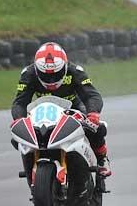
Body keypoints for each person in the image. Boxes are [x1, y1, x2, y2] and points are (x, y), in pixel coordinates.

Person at [12, 42, 111, 177]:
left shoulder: (76, 71)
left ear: (64, 67)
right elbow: (20, 102)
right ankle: (31, 170)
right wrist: (19, 119)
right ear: (37, 70)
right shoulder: (28, 74)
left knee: (96, 128)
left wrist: (93, 114)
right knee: (18, 138)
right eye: (46, 75)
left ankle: (102, 159)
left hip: (74, 108)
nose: (51, 80)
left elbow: (92, 95)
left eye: (56, 74)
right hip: (43, 112)